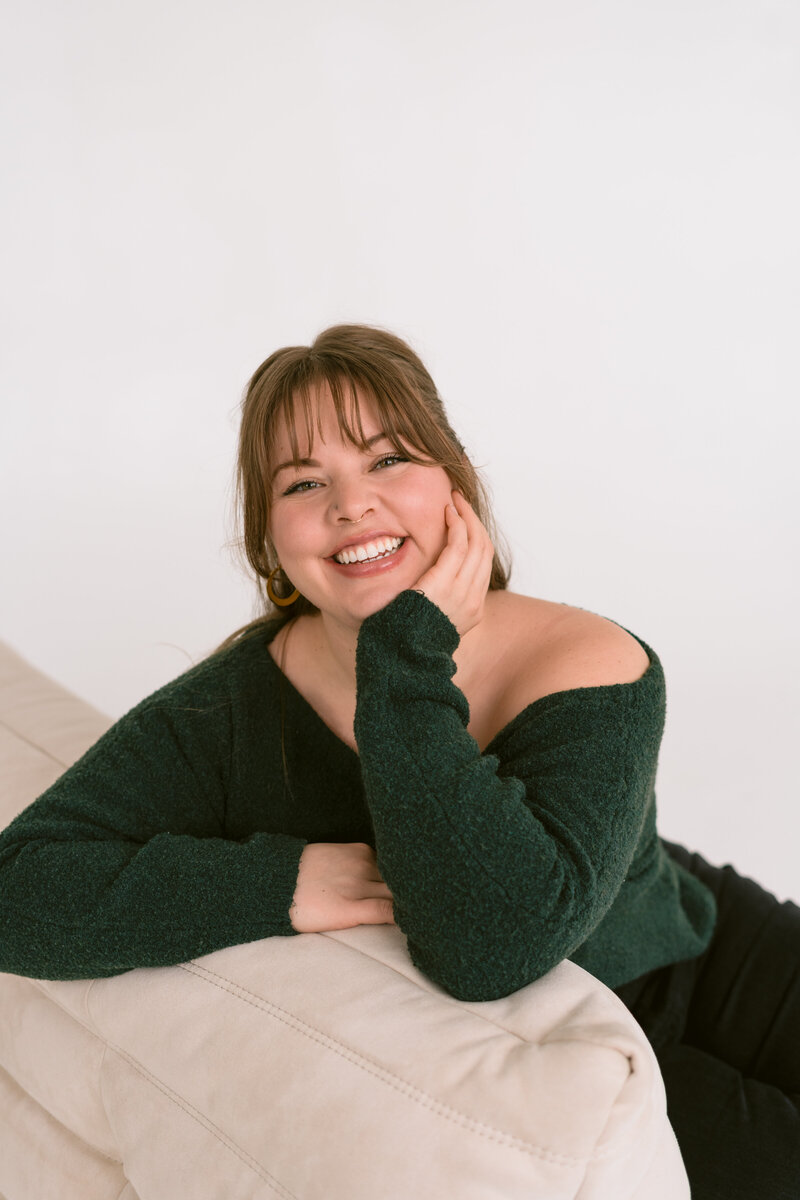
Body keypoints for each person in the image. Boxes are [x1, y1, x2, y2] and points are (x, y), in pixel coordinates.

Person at [0, 324, 797, 1198]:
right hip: (602, 1045)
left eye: (388, 461)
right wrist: (278, 881)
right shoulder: (228, 709)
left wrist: (400, 652)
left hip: (693, 934)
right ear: (270, 540)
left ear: (452, 483)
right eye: (304, 483)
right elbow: (490, 947)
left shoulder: (594, 659)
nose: (352, 504)